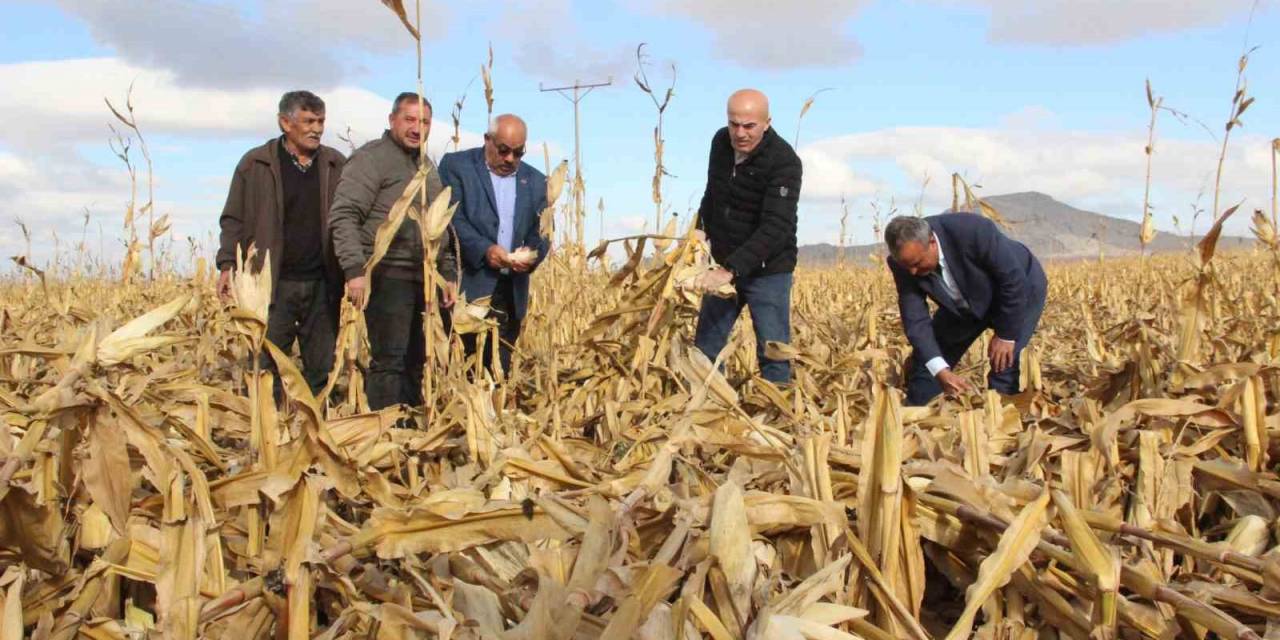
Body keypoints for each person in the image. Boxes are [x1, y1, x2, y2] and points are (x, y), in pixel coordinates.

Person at [328, 92, 458, 410]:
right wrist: (354, 270)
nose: (417, 128)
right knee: (390, 360)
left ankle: (412, 422)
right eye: (409, 120)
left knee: (418, 359)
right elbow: (344, 215)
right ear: (392, 120)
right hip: (387, 274)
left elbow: (438, 225)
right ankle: (386, 430)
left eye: (424, 121)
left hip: (423, 276)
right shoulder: (371, 159)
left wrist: (448, 273)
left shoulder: (427, 166)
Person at [216, 90, 346, 396]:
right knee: (266, 362)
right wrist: (227, 266)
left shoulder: (335, 164)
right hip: (270, 283)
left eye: (321, 121)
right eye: (309, 121)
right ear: (285, 123)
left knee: (321, 366)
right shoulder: (255, 164)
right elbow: (233, 218)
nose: (317, 128)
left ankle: (315, 432)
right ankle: (268, 431)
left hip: (321, 283)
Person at [692, 89, 803, 385]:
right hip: (722, 264)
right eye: (733, 124)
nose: (739, 133)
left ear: (767, 122)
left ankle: (778, 416)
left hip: (768, 270)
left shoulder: (785, 162)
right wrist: (699, 230)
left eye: (749, 126)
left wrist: (731, 270)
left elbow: (776, 226)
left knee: (773, 350)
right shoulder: (720, 143)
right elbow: (713, 193)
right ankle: (710, 409)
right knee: (706, 346)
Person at [884, 213, 1048, 406]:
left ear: (932, 242)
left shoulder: (973, 230)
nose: (912, 272)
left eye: (917, 263)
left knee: (1004, 365)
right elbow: (915, 318)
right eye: (907, 266)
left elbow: (1012, 282)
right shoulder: (903, 264)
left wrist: (1005, 336)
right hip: (962, 303)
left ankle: (1000, 418)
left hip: (1020, 288)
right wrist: (941, 371)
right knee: (925, 373)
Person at [439, 114, 550, 376]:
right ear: (487, 140)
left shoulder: (536, 181)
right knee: (462, 370)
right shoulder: (456, 166)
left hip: (510, 290)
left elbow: (543, 231)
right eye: (503, 150)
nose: (510, 159)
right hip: (467, 287)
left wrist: (531, 254)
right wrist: (484, 249)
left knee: (499, 371)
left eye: (518, 153)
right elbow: (452, 218)